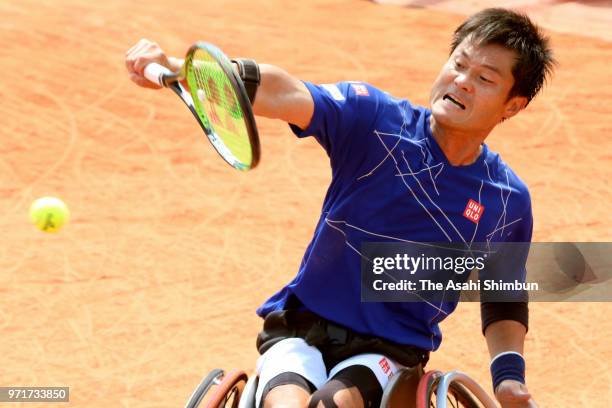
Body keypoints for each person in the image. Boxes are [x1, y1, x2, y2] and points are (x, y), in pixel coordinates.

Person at [126, 7, 554, 408]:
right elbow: (285, 91)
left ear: (513, 105)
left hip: (389, 350)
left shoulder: (506, 199)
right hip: (298, 326)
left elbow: (504, 296)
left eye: (485, 78)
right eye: (458, 64)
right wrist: (190, 73)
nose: (461, 81)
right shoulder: (375, 121)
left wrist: (508, 376)